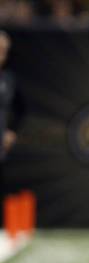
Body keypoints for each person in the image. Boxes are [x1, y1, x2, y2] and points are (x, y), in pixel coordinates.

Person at [0, 31, 25, 198]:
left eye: (4, 51)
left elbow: (21, 108)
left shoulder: (8, 79)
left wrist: (11, 131)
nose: (1, 55)